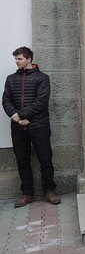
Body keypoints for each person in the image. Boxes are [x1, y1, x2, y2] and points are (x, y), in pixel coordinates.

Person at [2, 47, 61, 208]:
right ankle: (27, 194)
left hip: (39, 126)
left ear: (29, 59)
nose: (17, 61)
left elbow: (41, 102)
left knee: (45, 159)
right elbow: (6, 100)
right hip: (18, 128)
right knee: (22, 161)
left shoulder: (42, 78)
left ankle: (49, 191)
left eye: (19, 58)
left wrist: (20, 115)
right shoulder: (11, 79)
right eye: (16, 59)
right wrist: (16, 117)